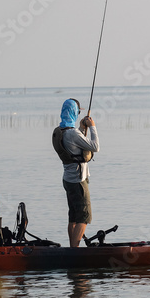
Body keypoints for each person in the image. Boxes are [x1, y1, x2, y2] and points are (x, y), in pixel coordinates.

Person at [52, 98, 99, 247]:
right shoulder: (72, 134)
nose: (79, 114)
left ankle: (72, 248)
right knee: (84, 218)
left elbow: (74, 142)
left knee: (73, 217)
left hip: (67, 179)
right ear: (74, 112)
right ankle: (74, 251)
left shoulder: (61, 131)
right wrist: (92, 127)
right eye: (78, 112)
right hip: (78, 181)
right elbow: (95, 146)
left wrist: (80, 127)